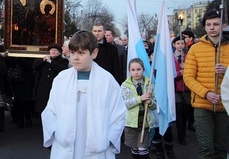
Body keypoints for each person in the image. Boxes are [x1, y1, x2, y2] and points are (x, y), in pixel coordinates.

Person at [42, 30, 126, 158]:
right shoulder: (61, 79)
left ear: (94, 53)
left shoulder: (107, 81)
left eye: (81, 53)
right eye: (72, 53)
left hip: (97, 150)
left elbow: (119, 115)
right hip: (65, 147)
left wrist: (107, 140)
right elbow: (50, 111)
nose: (75, 57)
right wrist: (56, 133)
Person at [183, 10, 229, 159]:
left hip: (224, 105)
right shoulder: (195, 49)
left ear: (224, 26)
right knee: (206, 148)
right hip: (203, 105)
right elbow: (188, 77)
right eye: (208, 25)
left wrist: (227, 71)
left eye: (216, 24)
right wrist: (206, 93)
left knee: (221, 148)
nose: (212, 27)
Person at [121, 58, 156, 159]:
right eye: (133, 70)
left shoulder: (149, 84)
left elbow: (155, 105)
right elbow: (124, 104)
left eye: (138, 69)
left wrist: (150, 102)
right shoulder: (125, 85)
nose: (136, 72)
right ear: (129, 71)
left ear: (143, 70)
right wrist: (140, 98)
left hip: (145, 121)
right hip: (131, 122)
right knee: (135, 148)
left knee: (143, 148)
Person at [33, 43, 68, 116]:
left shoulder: (63, 61)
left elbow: (61, 70)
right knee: (43, 107)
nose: (53, 52)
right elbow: (34, 66)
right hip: (44, 88)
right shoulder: (44, 60)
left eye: (55, 50)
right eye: (52, 50)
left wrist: (51, 62)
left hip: (55, 87)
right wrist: (43, 60)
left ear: (59, 52)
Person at [171, 35, 191, 145]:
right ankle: (180, 135)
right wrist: (180, 73)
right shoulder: (171, 58)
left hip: (187, 88)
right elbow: (170, 74)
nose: (180, 46)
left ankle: (184, 130)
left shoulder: (188, 56)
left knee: (186, 111)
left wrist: (186, 69)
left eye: (182, 43)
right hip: (176, 88)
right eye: (178, 43)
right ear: (174, 45)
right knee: (179, 111)